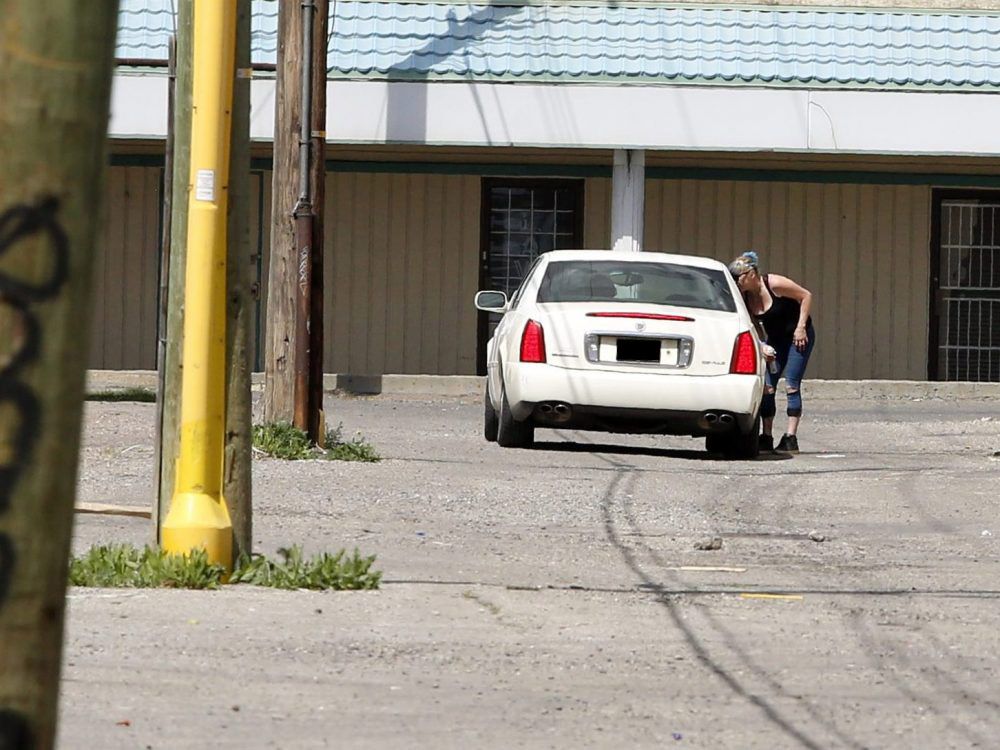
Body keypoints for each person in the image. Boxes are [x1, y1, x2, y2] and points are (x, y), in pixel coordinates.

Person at [728, 251, 815, 453]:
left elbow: (806, 296)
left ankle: (790, 437)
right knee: (768, 385)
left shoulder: (774, 284)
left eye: (739, 276)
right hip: (776, 340)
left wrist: (801, 328)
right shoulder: (745, 297)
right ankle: (766, 435)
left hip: (797, 337)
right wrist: (762, 345)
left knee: (792, 384)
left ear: (751, 273)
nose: (737, 281)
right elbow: (753, 324)